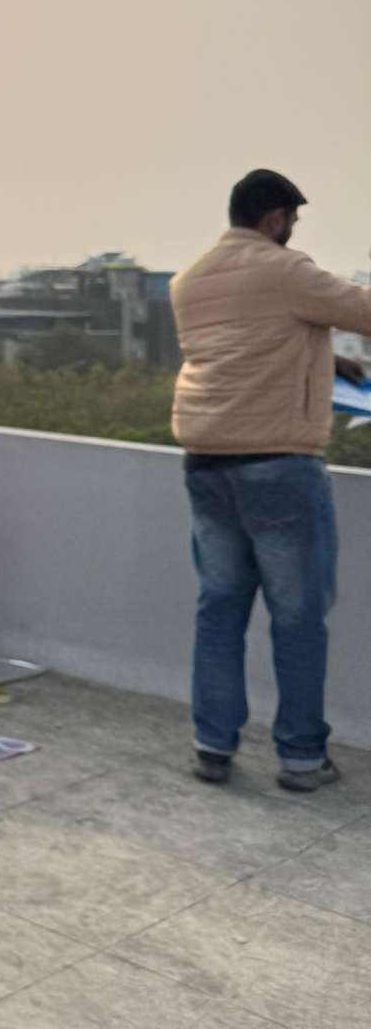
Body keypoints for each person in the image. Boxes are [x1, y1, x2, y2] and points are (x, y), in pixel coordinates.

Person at [172, 169, 371, 792]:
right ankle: (302, 758)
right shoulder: (284, 269)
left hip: (207, 462)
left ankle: (213, 746)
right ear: (276, 218)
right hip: (278, 466)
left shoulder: (191, 280)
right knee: (298, 616)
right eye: (293, 222)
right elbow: (363, 311)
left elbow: (244, 347)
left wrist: (325, 357)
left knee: (220, 610)